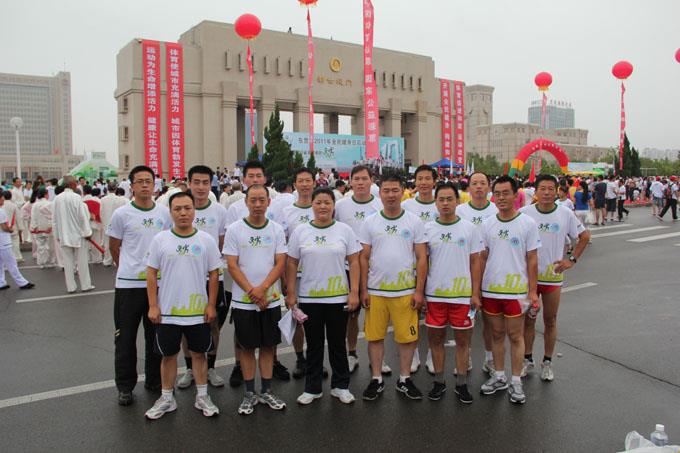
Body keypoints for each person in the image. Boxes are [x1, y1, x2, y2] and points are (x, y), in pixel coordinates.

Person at [144, 191, 222, 420]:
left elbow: (214, 274)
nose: (183, 213)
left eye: (187, 208)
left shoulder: (206, 240)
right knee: (168, 356)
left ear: (194, 210)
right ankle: (167, 398)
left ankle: (202, 396)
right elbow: (151, 273)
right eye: (177, 209)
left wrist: (211, 305)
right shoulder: (160, 240)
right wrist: (153, 305)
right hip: (168, 312)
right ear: (170, 212)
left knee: (199, 354)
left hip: (197, 313)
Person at [287, 187, 362, 405]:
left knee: (338, 343)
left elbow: (354, 261)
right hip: (310, 298)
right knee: (314, 344)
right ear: (312, 205)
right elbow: (291, 263)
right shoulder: (301, 231)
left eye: (327, 203)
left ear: (333, 206)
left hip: (338, 298)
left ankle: (341, 386)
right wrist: (290, 292)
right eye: (318, 202)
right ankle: (312, 388)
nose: (322, 207)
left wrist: (354, 292)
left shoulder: (344, 230)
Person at [360, 174, 428, 401]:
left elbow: (421, 258)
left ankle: (404, 379)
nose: (390, 195)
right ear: (380, 194)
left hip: (405, 291)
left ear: (403, 192)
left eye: (395, 190)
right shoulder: (370, 222)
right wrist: (363, 289)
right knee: (375, 337)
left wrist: (419, 290)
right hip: (376, 291)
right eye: (386, 191)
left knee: (407, 338)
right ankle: (376, 379)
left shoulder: (414, 221)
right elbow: (363, 258)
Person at [108, 166, 172, 406]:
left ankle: (155, 381)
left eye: (148, 181)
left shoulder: (164, 213)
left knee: (155, 336)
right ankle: (125, 387)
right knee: (125, 338)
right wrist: (126, 268)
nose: (145, 185)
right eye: (140, 181)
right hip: (128, 286)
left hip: (157, 285)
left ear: (154, 185)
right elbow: (114, 247)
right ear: (132, 186)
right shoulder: (121, 214)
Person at [224, 160, 290, 385]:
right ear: (246, 201)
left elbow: (280, 262)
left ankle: (268, 386)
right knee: (246, 345)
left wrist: (263, 289)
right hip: (244, 298)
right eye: (253, 200)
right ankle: (247, 387)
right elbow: (232, 264)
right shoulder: (235, 224)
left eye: (262, 200)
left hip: (270, 296)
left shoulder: (276, 227)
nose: (258, 204)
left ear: (269, 201)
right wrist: (253, 291)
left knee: (269, 344)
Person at [520, 175, 590, 381]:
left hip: (552, 278)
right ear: (536, 191)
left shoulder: (564, 214)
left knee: (550, 320)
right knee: (528, 321)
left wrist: (571, 260)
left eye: (551, 189)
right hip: (529, 279)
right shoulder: (524, 214)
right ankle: (527, 360)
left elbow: (584, 236)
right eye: (542, 188)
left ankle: (547, 362)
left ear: (557, 191)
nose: (547, 192)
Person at [479, 175, 540, 405]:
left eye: (506, 193)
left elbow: (532, 259)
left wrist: (532, 291)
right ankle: (499, 376)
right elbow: (482, 257)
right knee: (496, 335)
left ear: (516, 195)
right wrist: (477, 290)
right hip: (491, 290)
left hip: (516, 292)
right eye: (497, 194)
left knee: (515, 336)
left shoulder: (527, 224)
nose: (501, 197)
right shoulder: (487, 224)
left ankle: (516, 381)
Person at [424, 182, 482, 403]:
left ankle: (462, 384)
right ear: (436, 202)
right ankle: (439, 382)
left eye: (450, 199)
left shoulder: (469, 228)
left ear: (458, 201)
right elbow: (422, 263)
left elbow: (475, 262)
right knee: (435, 340)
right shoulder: (428, 229)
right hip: (435, 296)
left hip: (462, 297)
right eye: (441, 199)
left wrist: (475, 293)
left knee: (463, 342)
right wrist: (421, 293)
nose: (446, 203)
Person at [176, 166, 229, 389]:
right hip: (185, 277)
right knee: (186, 323)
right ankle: (190, 368)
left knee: (213, 322)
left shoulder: (219, 211)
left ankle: (211, 368)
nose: (200, 187)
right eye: (196, 182)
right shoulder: (180, 208)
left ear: (211, 184)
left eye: (205, 182)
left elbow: (222, 243)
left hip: (213, 277)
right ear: (189, 183)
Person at [334, 165, 387, 375]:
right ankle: (352, 353)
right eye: (356, 179)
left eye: (364, 178)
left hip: (376, 268)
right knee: (351, 315)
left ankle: (378, 358)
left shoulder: (380, 204)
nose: (360, 183)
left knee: (378, 314)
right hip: (349, 268)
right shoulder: (341, 206)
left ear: (371, 180)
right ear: (350, 182)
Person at [455, 171, 498, 375]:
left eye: (483, 183)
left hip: (491, 272)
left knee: (489, 321)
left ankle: (489, 359)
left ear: (489, 187)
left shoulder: (496, 210)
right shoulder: (460, 210)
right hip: (466, 271)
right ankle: (467, 356)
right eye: (475, 183)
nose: (479, 186)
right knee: (467, 320)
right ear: (469, 187)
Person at [401, 164, 438, 373]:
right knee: (412, 312)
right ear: (415, 182)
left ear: (434, 181)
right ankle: (413, 354)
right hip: (412, 266)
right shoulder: (407, 206)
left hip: (437, 267)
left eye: (427, 178)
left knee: (433, 315)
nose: (423, 182)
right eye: (420, 179)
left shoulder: (441, 203)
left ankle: (432, 355)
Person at [281, 167, 316, 380]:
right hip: (295, 273)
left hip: (317, 274)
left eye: (308, 180)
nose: (304, 184)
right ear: (295, 185)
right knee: (296, 317)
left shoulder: (322, 206)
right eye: (300, 181)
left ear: (314, 183)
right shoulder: (287, 211)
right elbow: (282, 246)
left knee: (314, 319)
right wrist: (285, 278)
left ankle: (314, 358)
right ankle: (300, 358)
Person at [52, 176, 95, 293]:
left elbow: (54, 220)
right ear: (72, 184)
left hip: (64, 235)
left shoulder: (57, 199)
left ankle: (71, 287)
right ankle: (85, 285)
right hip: (78, 235)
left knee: (67, 263)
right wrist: (87, 232)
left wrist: (57, 235)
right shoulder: (76, 197)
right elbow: (82, 217)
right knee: (82, 262)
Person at [0, 194, 34, 290]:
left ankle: (1, 282)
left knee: (1, 263)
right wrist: (10, 230)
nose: (3, 199)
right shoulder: (1, 211)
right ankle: (22, 282)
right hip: (4, 240)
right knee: (11, 263)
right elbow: (3, 227)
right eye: (2, 197)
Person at [100, 188, 128, 266]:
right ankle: (116, 261)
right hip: (118, 223)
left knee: (107, 243)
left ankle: (107, 260)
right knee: (118, 243)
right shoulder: (120, 200)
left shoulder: (103, 199)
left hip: (106, 222)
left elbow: (101, 211)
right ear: (115, 189)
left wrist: (103, 221)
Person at [30, 188, 56, 268]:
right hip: (49, 227)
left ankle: (41, 263)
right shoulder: (50, 203)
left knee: (40, 246)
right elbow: (52, 216)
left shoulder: (35, 205)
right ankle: (51, 261)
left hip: (39, 228)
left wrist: (34, 227)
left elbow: (33, 217)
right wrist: (51, 226)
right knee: (51, 246)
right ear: (45, 194)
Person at [2, 192, 22, 262]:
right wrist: (20, 228)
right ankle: (17, 257)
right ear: (10, 197)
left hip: (3, 228)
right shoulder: (14, 205)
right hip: (13, 227)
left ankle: (6, 258)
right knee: (15, 243)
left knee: (5, 245)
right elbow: (18, 217)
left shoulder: (1, 206)